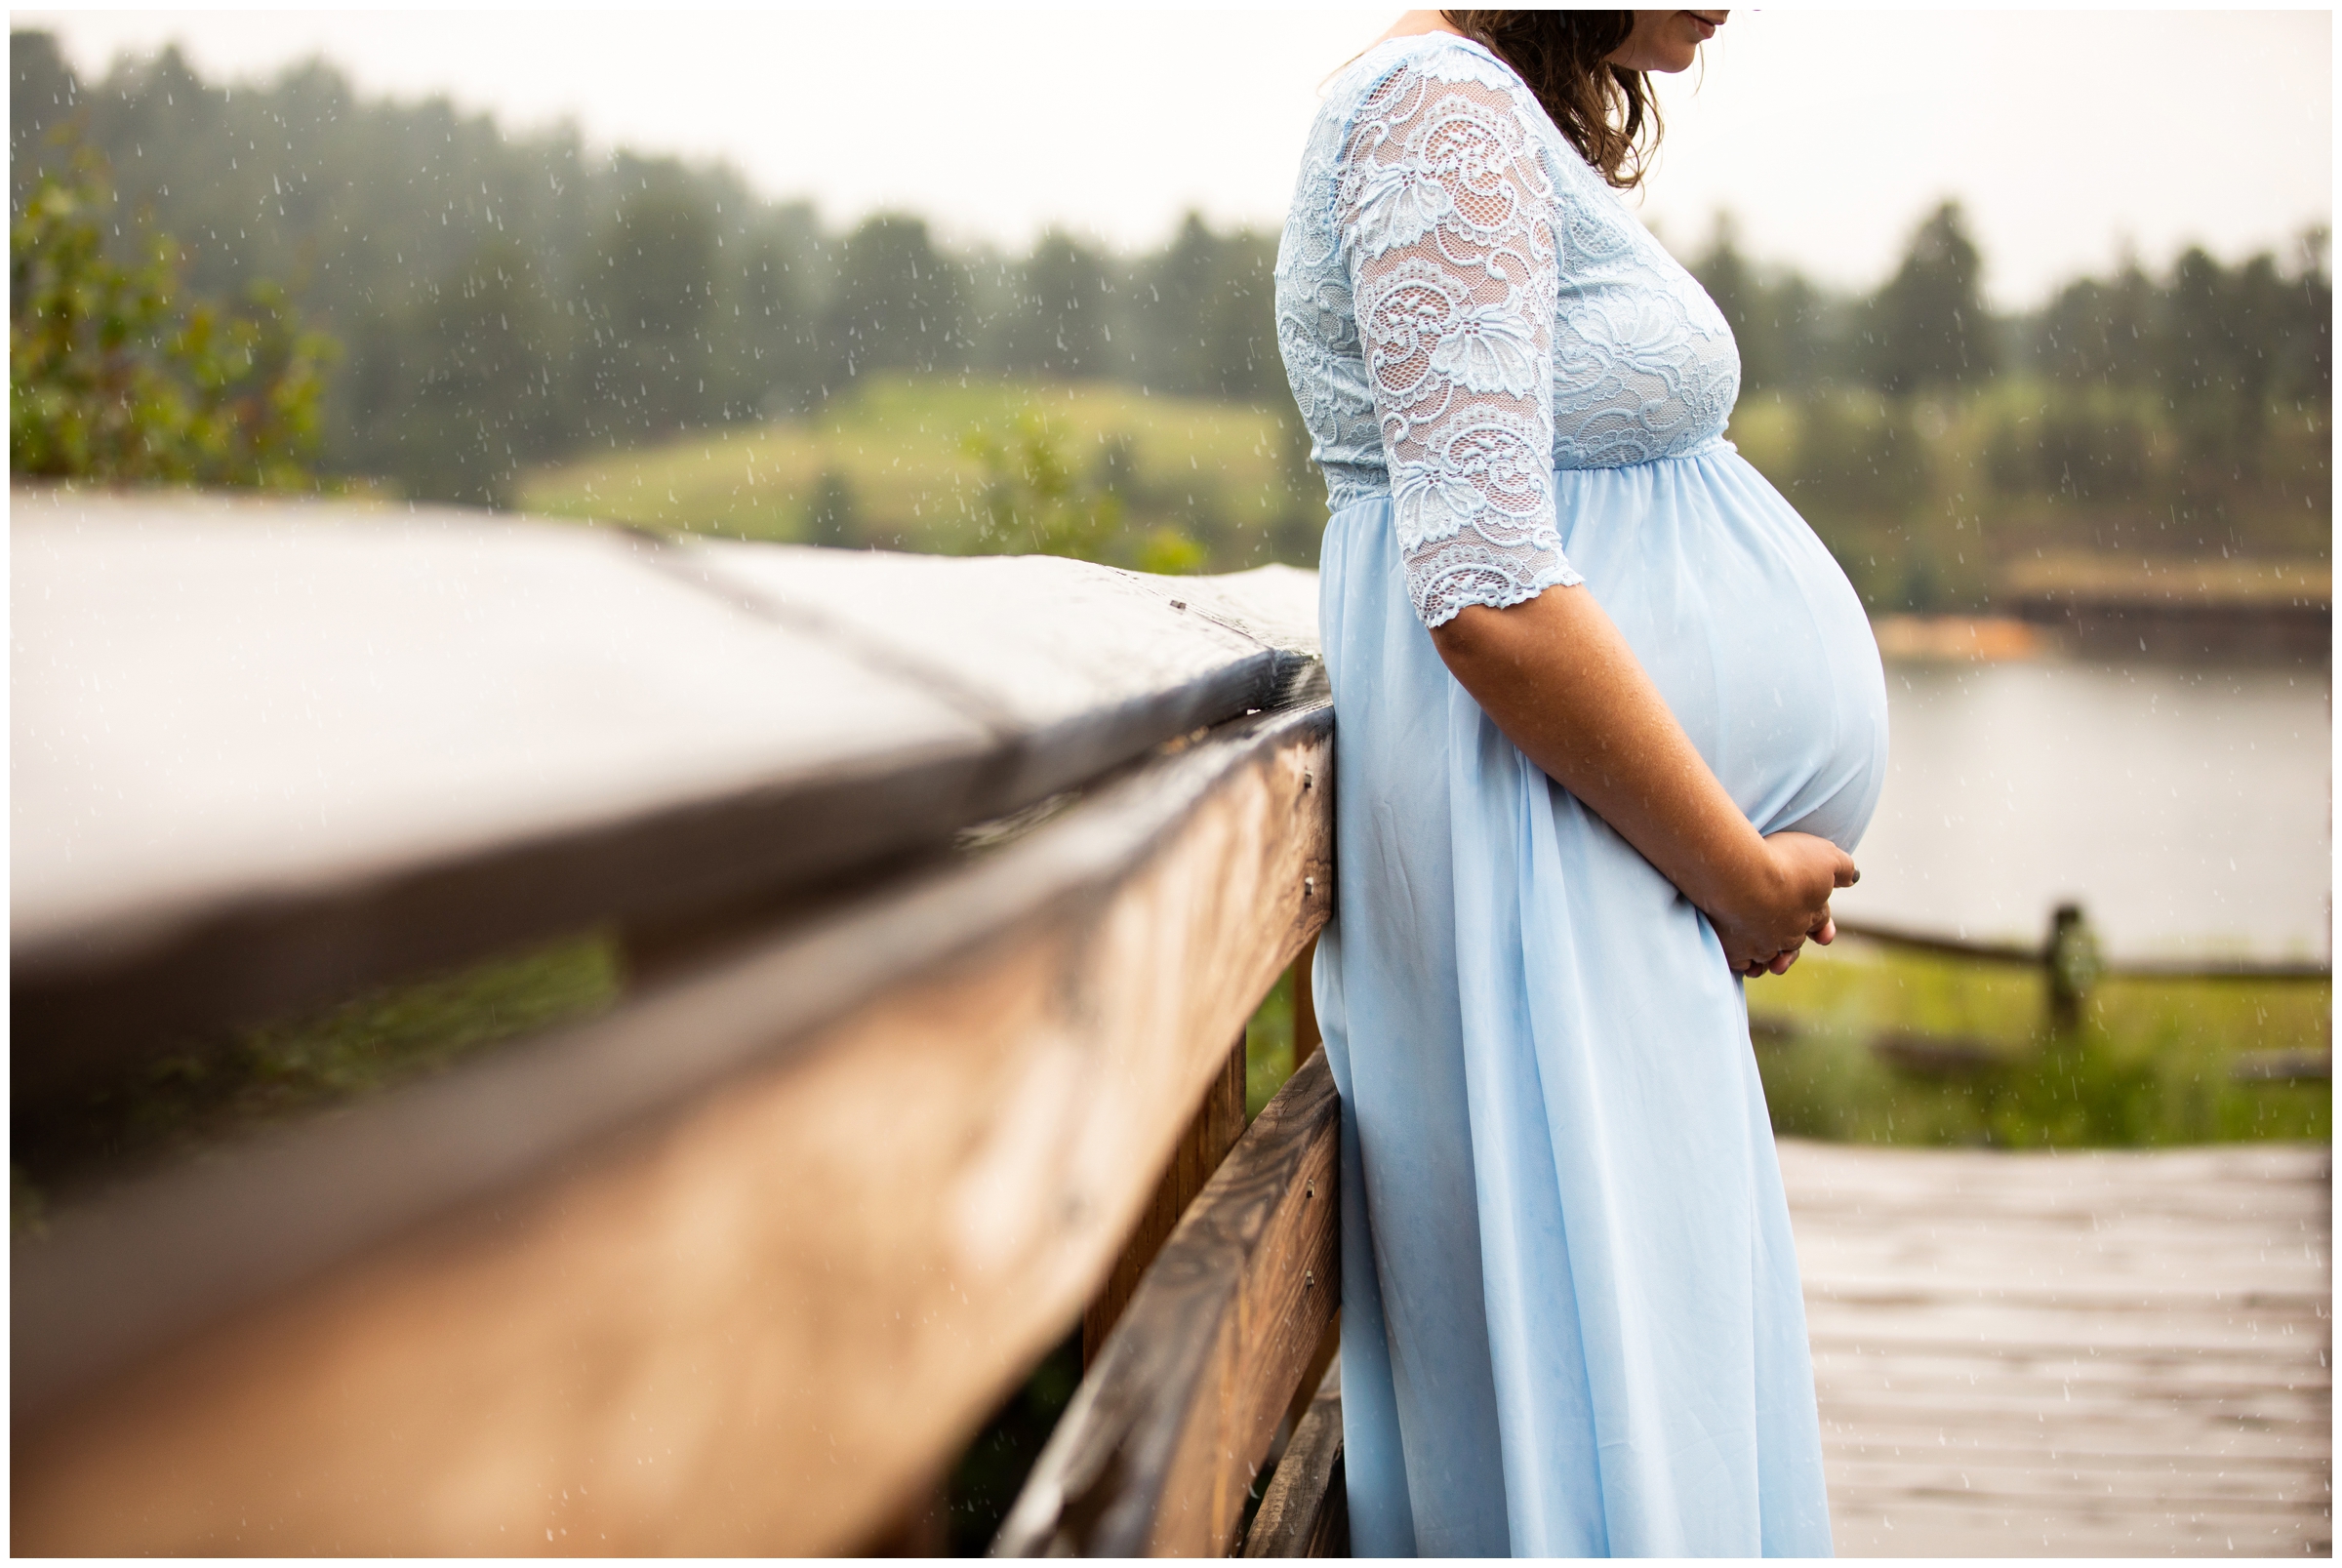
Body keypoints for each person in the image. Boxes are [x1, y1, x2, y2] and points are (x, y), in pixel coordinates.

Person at [1272, 9, 1886, 1555]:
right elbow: (1484, 590)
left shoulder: (1475, 114)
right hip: (1539, 841)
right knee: (1601, 1388)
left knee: (1631, 1365)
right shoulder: (1436, 111)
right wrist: (1737, 872)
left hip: (1580, 841)